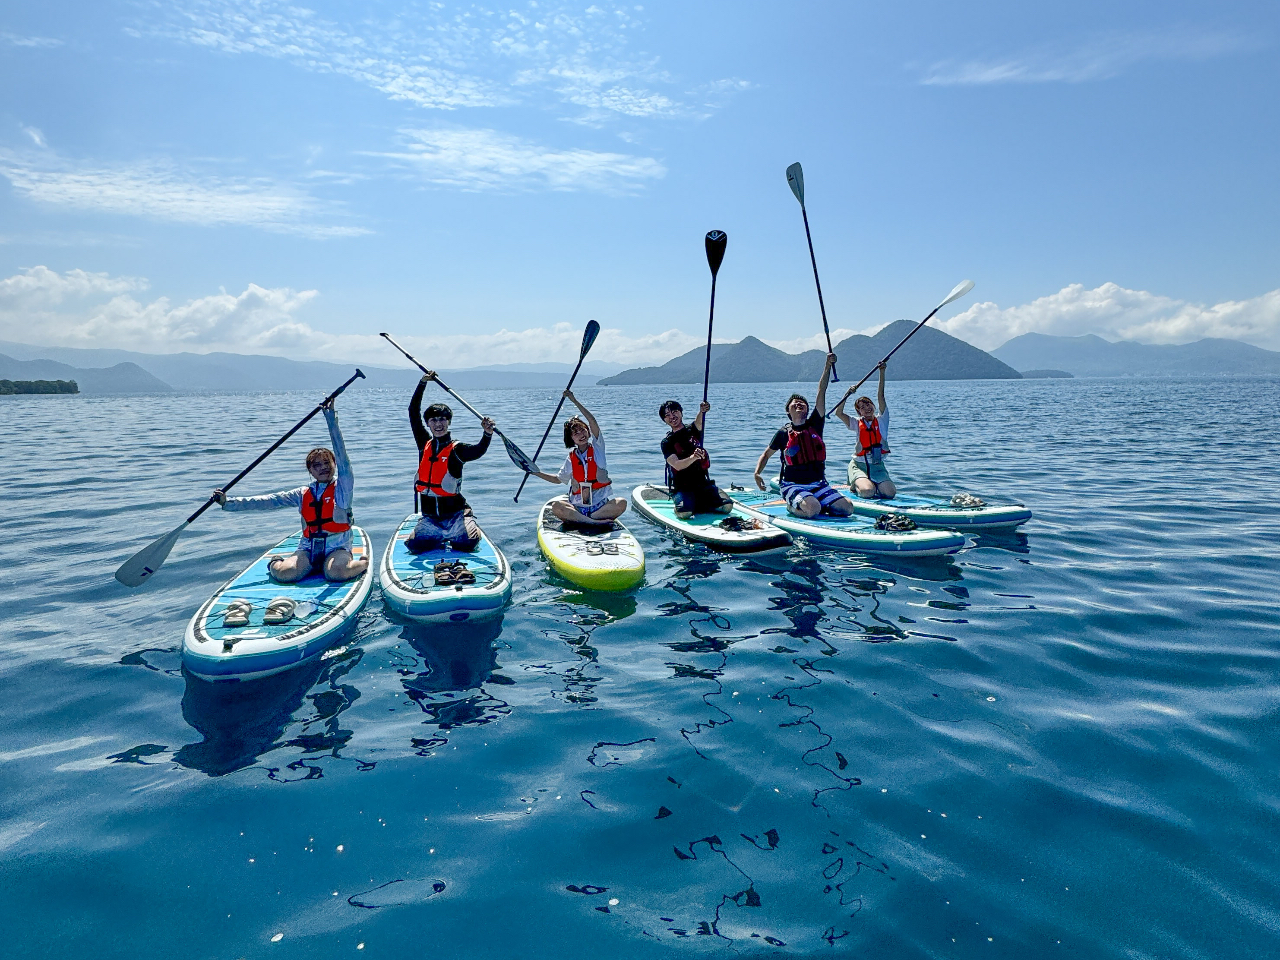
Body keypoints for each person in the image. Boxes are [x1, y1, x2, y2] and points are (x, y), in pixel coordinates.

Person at [213, 399, 368, 582]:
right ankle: (275, 562)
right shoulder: (302, 494)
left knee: (335, 573)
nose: (323, 468)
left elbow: (342, 456)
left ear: (334, 465)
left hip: (338, 547)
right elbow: (267, 501)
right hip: (308, 547)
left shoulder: (343, 487)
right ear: (310, 471)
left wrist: (331, 419)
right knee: (285, 574)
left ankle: (363, 562)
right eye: (317, 465)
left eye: (327, 463)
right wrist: (227, 502)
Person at [752, 352, 855, 518]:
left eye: (803, 403)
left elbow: (821, 390)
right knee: (813, 509)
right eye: (795, 403)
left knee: (847, 508)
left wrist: (827, 366)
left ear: (807, 409)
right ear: (788, 411)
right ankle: (792, 507)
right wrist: (757, 473)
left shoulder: (815, 424)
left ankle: (816, 503)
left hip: (818, 484)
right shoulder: (783, 433)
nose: (799, 403)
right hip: (792, 485)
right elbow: (766, 454)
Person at [406, 373, 494, 553]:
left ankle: (468, 523)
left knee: (466, 544)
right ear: (428, 424)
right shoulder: (424, 443)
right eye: (434, 420)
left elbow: (478, 451)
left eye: (442, 419)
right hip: (430, 518)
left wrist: (487, 434)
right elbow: (413, 411)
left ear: (449, 421)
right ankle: (439, 534)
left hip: (455, 516)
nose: (438, 424)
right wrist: (422, 383)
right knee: (415, 546)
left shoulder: (457, 449)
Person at [529, 390, 628, 525]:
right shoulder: (571, 458)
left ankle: (590, 519)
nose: (581, 434)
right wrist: (535, 473)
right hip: (578, 508)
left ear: (587, 431)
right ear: (571, 439)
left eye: (582, 430)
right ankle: (591, 522)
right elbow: (558, 479)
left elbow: (592, 421)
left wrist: (574, 400)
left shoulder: (597, 448)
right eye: (575, 433)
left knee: (621, 502)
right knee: (556, 506)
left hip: (599, 508)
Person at [832, 360, 897, 499]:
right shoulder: (856, 423)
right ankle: (856, 484)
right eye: (862, 407)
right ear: (859, 412)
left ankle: (873, 484)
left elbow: (881, 396)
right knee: (868, 492)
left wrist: (882, 372)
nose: (867, 408)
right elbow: (839, 413)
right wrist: (847, 394)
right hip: (859, 466)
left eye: (869, 405)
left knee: (890, 493)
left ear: (873, 406)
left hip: (877, 467)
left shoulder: (882, 420)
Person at [658, 399, 733, 519]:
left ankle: (700, 504)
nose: (672, 417)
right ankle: (682, 505)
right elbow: (676, 465)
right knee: (685, 513)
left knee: (727, 507)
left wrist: (702, 411)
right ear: (664, 420)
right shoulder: (666, 442)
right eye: (667, 415)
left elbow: (699, 421)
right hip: (682, 487)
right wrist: (693, 457)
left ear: (681, 412)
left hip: (703, 484)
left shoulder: (693, 430)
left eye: (674, 412)